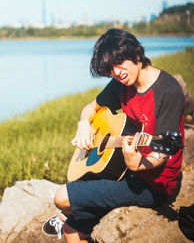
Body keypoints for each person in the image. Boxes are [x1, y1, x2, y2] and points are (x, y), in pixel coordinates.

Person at [42, 28, 185, 242]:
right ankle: (70, 217)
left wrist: (137, 164)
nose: (117, 72)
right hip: (125, 172)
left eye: (120, 63)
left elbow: (161, 155)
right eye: (110, 69)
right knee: (71, 231)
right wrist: (83, 123)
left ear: (136, 52)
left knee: (61, 197)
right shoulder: (121, 84)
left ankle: (69, 212)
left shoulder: (168, 91)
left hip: (155, 186)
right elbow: (91, 107)